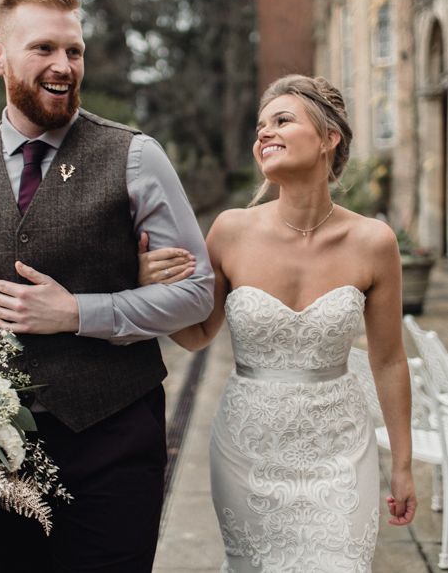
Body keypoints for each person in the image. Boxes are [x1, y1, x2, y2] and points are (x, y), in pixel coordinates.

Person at [0, 0, 215, 573]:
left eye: (73, 51)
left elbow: (196, 293)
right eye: (43, 49)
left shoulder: (134, 156)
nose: (63, 66)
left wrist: (79, 313)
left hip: (114, 438)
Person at [139, 74, 416, 572]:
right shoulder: (230, 230)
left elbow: (390, 359)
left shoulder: (374, 242)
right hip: (247, 451)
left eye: (283, 120)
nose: (264, 133)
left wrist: (401, 464)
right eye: (260, 126)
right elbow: (199, 333)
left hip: (340, 452)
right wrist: (147, 289)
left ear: (330, 137)